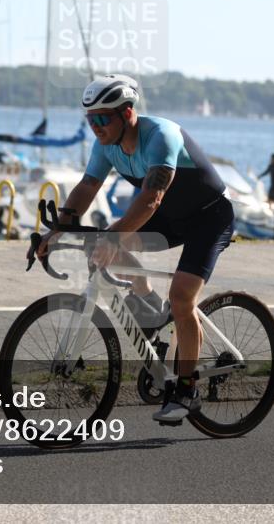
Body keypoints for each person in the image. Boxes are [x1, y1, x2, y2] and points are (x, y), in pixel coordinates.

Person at [37, 74, 234, 423]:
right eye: (90, 119)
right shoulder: (105, 145)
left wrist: (115, 236)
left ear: (127, 112)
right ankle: (150, 304)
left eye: (102, 118)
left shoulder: (161, 136)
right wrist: (53, 233)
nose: (96, 127)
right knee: (99, 240)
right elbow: (87, 187)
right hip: (170, 219)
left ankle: (187, 390)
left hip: (209, 217)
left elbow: (151, 198)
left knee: (182, 298)